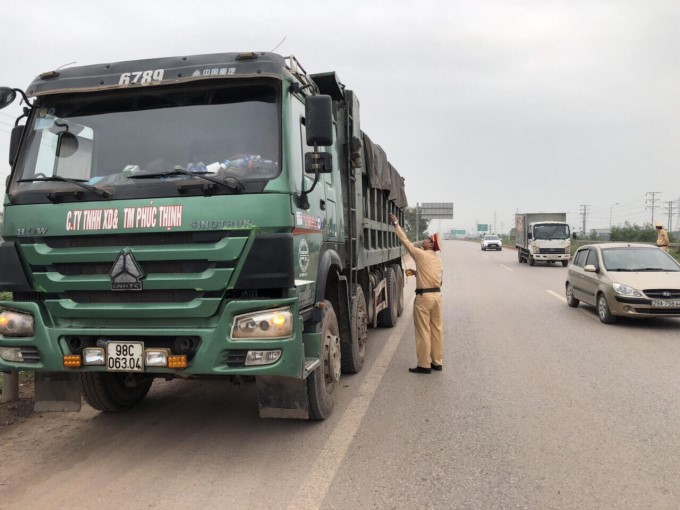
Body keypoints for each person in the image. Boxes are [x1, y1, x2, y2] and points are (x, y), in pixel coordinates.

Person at [389, 213, 443, 374]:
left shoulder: (421, 254)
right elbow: (436, 279)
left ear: (431, 245)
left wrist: (396, 224)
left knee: (423, 331)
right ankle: (437, 362)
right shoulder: (437, 259)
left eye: (427, 239)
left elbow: (406, 242)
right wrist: (418, 273)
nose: (424, 240)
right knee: (436, 330)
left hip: (424, 298)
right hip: (437, 297)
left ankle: (424, 365)